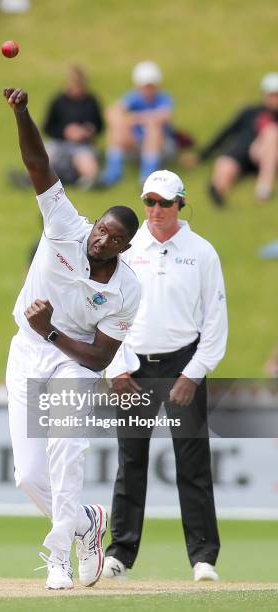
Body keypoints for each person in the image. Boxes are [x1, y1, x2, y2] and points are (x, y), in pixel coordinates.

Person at [3, 86, 141, 590]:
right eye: (100, 228)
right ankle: (86, 524)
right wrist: (22, 114)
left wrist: (53, 330)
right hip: (27, 350)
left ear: (125, 247)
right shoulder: (65, 225)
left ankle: (58, 557)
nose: (98, 239)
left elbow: (100, 357)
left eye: (111, 238)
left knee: (67, 450)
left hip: (72, 362)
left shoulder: (128, 289)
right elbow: (39, 163)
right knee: (27, 476)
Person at [102, 170, 228, 582]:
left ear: (180, 205)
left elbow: (214, 322)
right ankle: (120, 553)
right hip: (133, 366)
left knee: (192, 464)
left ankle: (203, 558)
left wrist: (193, 373)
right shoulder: (127, 246)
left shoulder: (202, 251)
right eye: (150, 202)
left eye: (164, 203)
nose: (156, 211)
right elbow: (105, 312)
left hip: (182, 365)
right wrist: (116, 368)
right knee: (130, 460)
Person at [9, 66, 104, 189]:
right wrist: (65, 132)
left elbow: (100, 126)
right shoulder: (59, 101)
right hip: (60, 142)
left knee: (85, 159)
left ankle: (90, 181)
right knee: (45, 154)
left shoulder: (91, 102)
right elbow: (48, 127)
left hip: (83, 145)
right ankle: (29, 178)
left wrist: (89, 131)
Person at [197, 72, 278, 205]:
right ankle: (219, 189)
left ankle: (264, 188)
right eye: (272, 95)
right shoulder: (250, 112)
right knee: (224, 163)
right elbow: (227, 132)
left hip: (267, 154)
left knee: (271, 132)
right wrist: (201, 156)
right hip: (244, 153)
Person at [100, 61, 174, 187]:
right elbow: (111, 113)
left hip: (162, 147)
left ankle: (147, 176)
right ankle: (112, 173)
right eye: (145, 86)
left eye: (151, 86)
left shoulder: (163, 98)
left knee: (153, 129)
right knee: (117, 128)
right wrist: (123, 123)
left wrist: (134, 118)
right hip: (136, 145)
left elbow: (163, 116)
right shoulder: (133, 97)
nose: (148, 90)